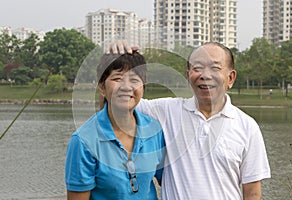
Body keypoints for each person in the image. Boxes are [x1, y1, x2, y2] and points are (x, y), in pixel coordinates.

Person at [106, 41, 271, 199]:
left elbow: (252, 194)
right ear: (188, 75)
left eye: (215, 68)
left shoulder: (247, 127)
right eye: (197, 68)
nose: (205, 75)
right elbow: (117, 99)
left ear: (231, 78)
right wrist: (117, 56)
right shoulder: (166, 112)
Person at [65, 51, 165, 199]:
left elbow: (168, 181)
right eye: (117, 78)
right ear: (102, 87)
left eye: (134, 80)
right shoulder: (83, 141)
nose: (126, 87)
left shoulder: (154, 130)